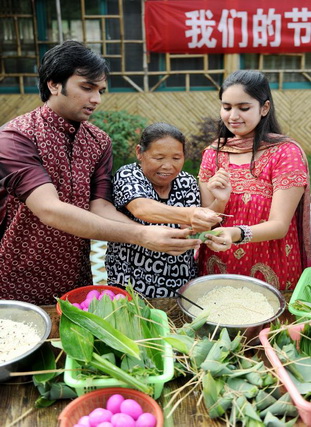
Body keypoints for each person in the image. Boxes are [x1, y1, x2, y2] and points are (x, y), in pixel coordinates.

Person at [0, 41, 203, 305]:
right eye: (86, 87)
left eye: (100, 90)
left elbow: (100, 206)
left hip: (75, 273)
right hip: (17, 273)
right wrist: (142, 235)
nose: (96, 99)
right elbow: (48, 209)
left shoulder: (98, 141)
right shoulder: (16, 137)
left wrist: (151, 234)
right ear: (53, 84)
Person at [196, 69, 311, 290]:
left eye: (244, 108)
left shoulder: (285, 153)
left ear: (264, 108)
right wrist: (219, 201)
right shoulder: (214, 153)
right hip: (219, 261)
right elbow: (207, 219)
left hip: (272, 262)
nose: (233, 116)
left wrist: (236, 233)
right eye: (226, 107)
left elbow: (279, 225)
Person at [105, 122, 222, 297]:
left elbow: (195, 229)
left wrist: (220, 200)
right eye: (159, 158)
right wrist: (191, 214)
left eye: (176, 158)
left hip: (179, 280)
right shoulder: (128, 175)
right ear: (140, 153)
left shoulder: (187, 182)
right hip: (131, 280)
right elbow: (141, 208)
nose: (168, 166)